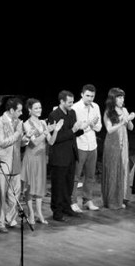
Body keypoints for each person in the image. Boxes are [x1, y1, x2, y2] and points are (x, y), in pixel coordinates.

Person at [21, 99, 62, 224]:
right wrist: (46, 131)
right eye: (36, 108)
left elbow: (51, 142)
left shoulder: (43, 123)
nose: (39, 110)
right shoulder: (26, 124)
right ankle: (31, 213)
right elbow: (34, 142)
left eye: (40, 107)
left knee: (39, 187)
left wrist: (56, 130)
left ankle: (39, 213)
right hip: (31, 157)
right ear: (30, 110)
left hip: (41, 158)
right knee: (30, 187)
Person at [47, 90, 86, 222]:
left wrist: (81, 128)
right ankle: (57, 211)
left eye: (72, 102)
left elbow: (74, 134)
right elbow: (56, 139)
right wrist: (73, 130)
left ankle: (66, 207)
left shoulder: (72, 113)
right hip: (59, 157)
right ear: (62, 101)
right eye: (69, 102)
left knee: (68, 184)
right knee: (58, 186)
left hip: (70, 155)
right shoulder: (54, 115)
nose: (71, 104)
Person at [0, 98, 29, 233]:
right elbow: (2, 143)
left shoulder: (18, 122)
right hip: (3, 163)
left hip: (16, 162)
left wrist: (25, 139)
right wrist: (18, 133)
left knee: (15, 194)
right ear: (12, 110)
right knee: (1, 195)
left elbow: (18, 143)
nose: (21, 113)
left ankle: (10, 219)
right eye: (19, 111)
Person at [101, 88, 135, 209]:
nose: (122, 100)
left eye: (122, 97)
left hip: (124, 142)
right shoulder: (108, 112)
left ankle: (122, 197)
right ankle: (113, 200)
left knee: (124, 168)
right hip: (113, 143)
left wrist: (129, 119)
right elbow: (109, 129)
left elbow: (130, 127)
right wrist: (122, 121)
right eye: (119, 97)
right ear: (113, 99)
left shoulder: (124, 110)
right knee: (114, 170)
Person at [71, 84, 102, 212]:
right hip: (80, 145)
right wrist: (87, 124)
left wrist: (91, 125)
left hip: (92, 145)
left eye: (92, 96)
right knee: (76, 176)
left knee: (90, 176)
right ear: (82, 94)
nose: (90, 98)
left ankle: (87, 200)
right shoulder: (75, 108)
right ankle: (73, 202)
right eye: (87, 95)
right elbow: (74, 128)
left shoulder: (96, 107)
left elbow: (99, 127)